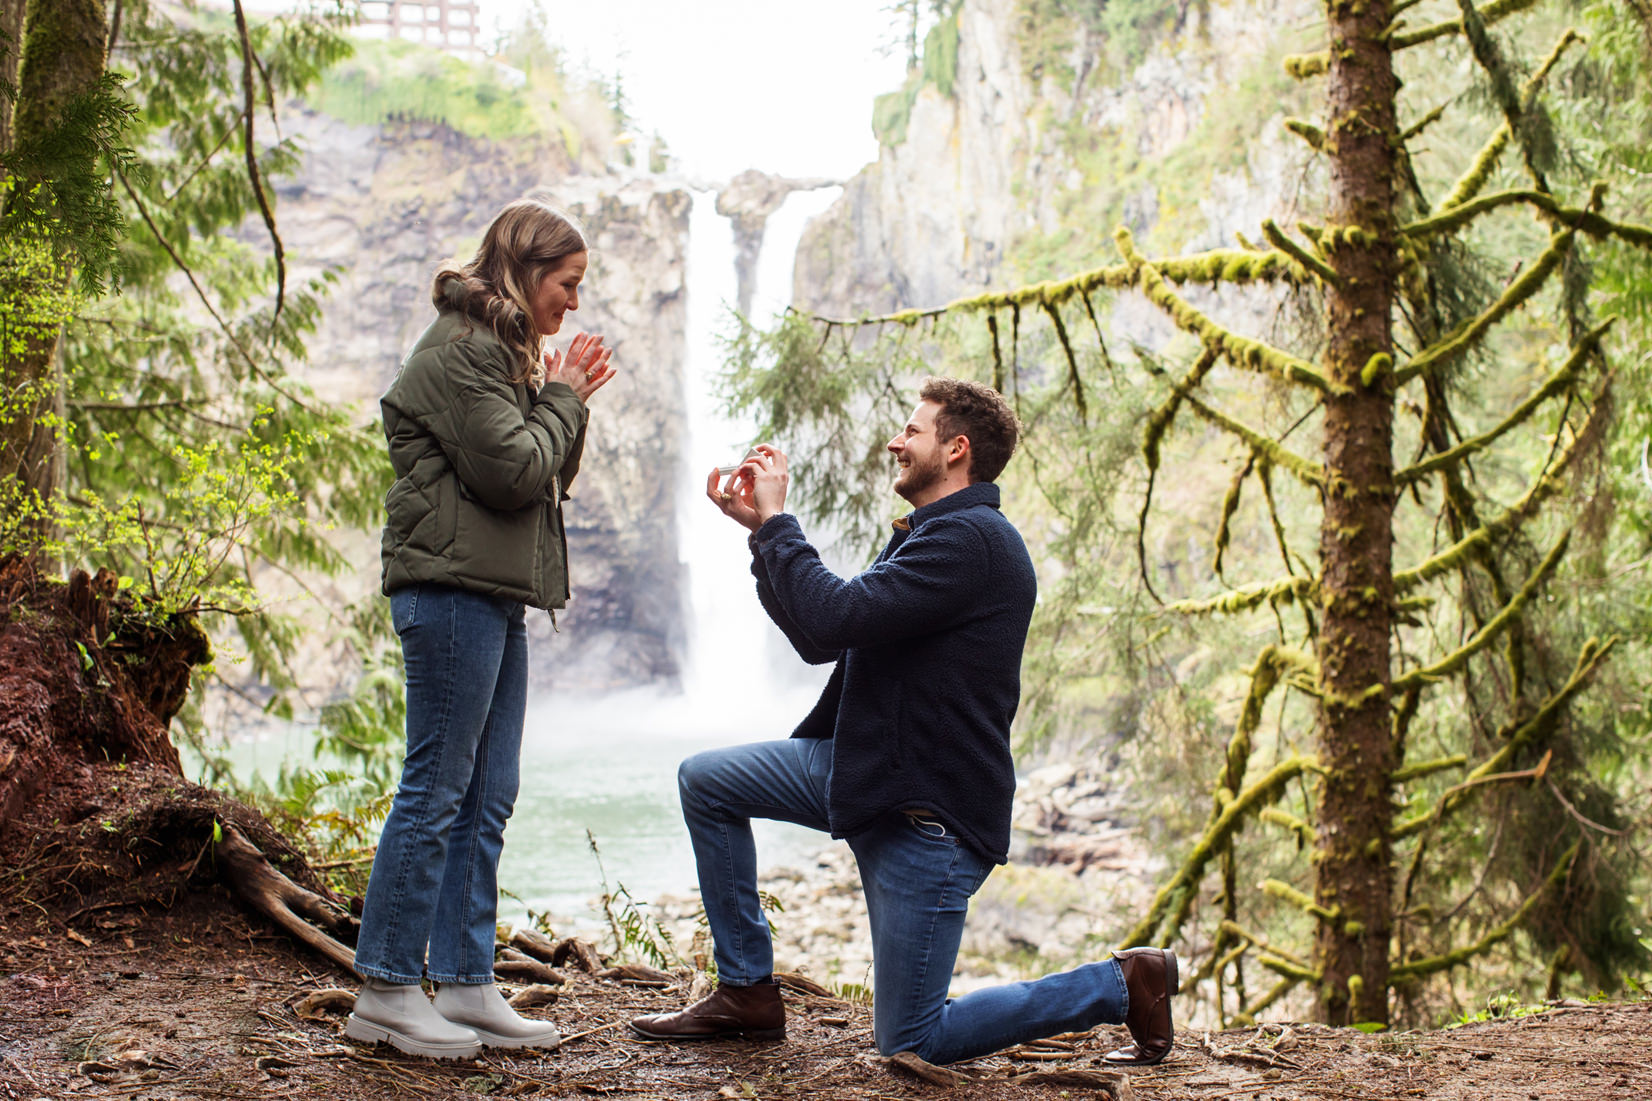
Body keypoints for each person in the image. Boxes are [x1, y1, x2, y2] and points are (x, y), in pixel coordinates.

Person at [629, 378, 1177, 1066]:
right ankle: (746, 991)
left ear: (955, 448)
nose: (895, 439)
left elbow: (832, 616)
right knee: (707, 782)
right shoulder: (936, 534)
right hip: (862, 769)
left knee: (913, 1040)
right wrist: (760, 537)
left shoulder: (972, 542)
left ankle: (1122, 982)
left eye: (912, 431)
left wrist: (777, 524)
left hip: (926, 814)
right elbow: (822, 638)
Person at [345, 197, 616, 1060]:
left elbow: (545, 478)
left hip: (494, 592)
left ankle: (463, 982)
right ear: (528, 270)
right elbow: (513, 471)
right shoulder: (464, 351)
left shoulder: (506, 355)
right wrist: (563, 394)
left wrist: (561, 395)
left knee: (487, 794)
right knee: (436, 787)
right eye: (567, 285)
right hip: (450, 590)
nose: (573, 302)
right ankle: (386, 986)